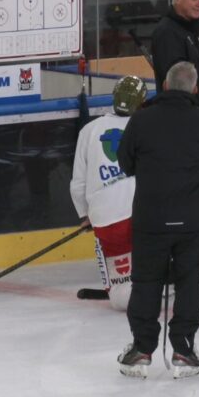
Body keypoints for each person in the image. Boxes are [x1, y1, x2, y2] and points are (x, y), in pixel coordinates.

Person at [116, 62, 199, 379]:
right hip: (193, 219)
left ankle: (141, 349)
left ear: (164, 85)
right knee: (190, 282)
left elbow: (125, 163)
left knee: (146, 283)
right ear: (194, 89)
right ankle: (184, 349)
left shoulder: (142, 119)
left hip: (151, 218)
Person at [69, 75, 146, 311]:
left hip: (105, 218)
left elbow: (78, 182)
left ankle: (122, 287)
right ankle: (157, 282)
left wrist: (84, 214)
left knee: (122, 301)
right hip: (143, 215)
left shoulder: (89, 130)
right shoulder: (146, 127)